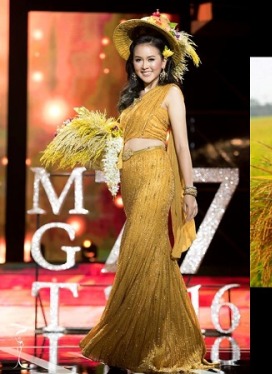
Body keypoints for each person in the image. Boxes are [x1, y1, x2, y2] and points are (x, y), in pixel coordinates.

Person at [79, 10, 219, 373]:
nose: (144, 65)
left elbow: (184, 148)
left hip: (158, 175)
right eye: (139, 60)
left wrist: (189, 191)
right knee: (152, 254)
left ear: (164, 61)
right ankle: (163, 339)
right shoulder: (130, 100)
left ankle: (139, 337)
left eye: (151, 59)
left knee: (140, 248)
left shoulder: (171, 92)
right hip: (133, 180)